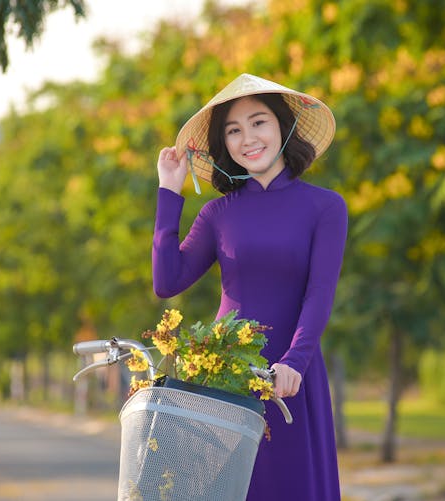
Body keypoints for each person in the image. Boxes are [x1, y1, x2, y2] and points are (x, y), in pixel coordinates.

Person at [152, 73, 347, 501]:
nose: (248, 139)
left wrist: (295, 362)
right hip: (225, 377)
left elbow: (319, 293)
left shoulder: (325, 206)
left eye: (258, 123)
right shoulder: (218, 213)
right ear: (225, 144)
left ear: (283, 127)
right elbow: (167, 282)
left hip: (292, 377)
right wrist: (170, 191)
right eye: (234, 130)